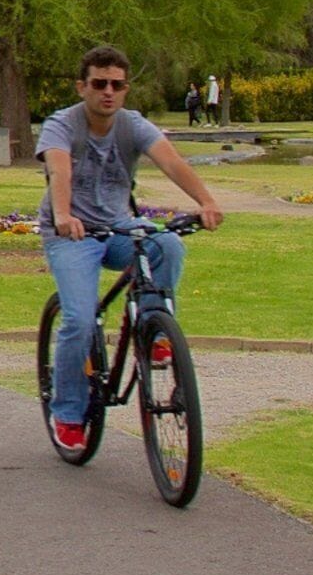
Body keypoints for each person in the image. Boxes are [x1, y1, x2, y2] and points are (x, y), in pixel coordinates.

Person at [41, 44, 223, 454]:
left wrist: (206, 201)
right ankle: (68, 412)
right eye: (100, 83)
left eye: (117, 85)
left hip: (120, 225)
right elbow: (59, 168)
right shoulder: (61, 125)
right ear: (82, 86)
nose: (109, 92)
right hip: (73, 233)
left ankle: (150, 325)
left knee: (167, 245)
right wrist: (64, 214)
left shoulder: (132, 125)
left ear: (125, 89)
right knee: (80, 321)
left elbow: (172, 162)